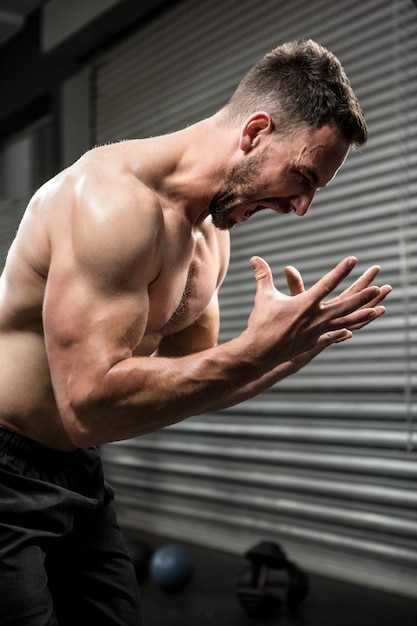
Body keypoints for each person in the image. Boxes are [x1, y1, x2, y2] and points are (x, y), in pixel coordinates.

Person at [0, 39, 391, 625]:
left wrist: (276, 357)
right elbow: (86, 404)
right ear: (255, 131)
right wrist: (250, 352)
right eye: (303, 177)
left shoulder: (212, 238)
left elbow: (187, 385)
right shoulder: (109, 203)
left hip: (79, 472)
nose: (302, 207)